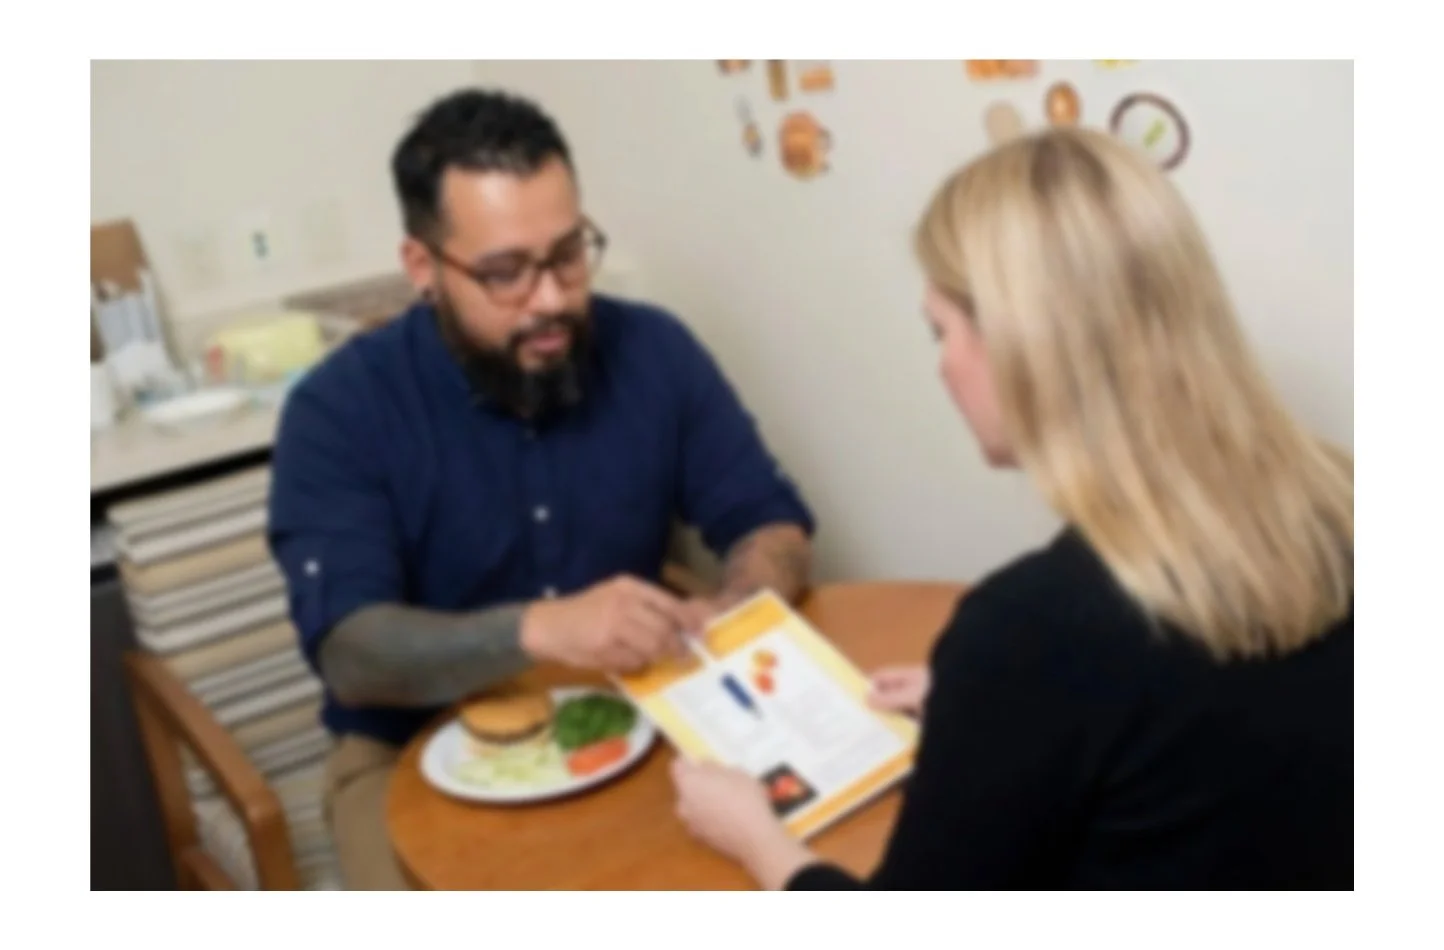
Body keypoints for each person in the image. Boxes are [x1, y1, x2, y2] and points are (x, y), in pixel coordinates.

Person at [671, 127, 1353, 889]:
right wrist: (996, 716)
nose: (940, 366)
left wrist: (761, 839)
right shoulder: (1339, 503)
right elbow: (1203, 715)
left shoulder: (1033, 632)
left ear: (1024, 346)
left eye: (942, 331)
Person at [267, 89, 816, 889]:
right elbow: (353, 654)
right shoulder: (337, 410)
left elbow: (771, 525)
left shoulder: (654, 350)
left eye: (567, 255)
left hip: (631, 710)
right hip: (408, 751)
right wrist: (540, 630)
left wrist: (733, 611)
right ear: (424, 268)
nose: (552, 298)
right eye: (505, 273)